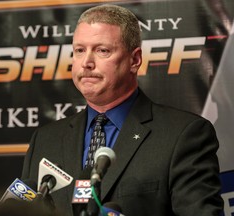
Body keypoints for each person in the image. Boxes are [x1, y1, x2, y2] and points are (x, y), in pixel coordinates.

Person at [21, 4, 223, 216]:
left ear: (134, 60)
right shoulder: (44, 141)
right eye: (79, 50)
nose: (86, 63)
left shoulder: (184, 135)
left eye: (102, 50)